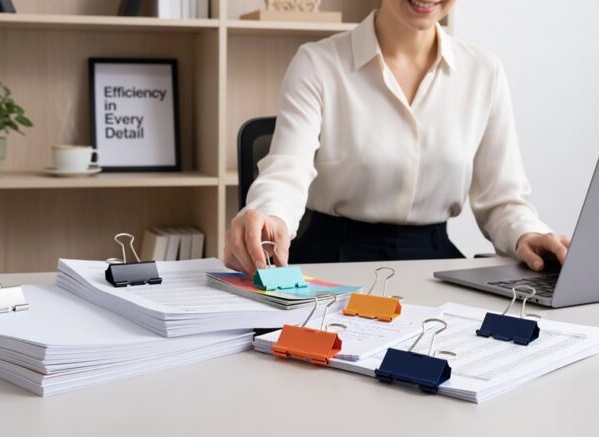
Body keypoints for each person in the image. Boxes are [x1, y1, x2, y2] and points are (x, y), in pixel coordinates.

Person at [224, 0, 569, 276]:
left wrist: (527, 233)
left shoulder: (484, 71)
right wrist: (269, 216)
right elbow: (288, 171)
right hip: (331, 258)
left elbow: (502, 199)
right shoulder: (318, 63)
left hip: (433, 263)